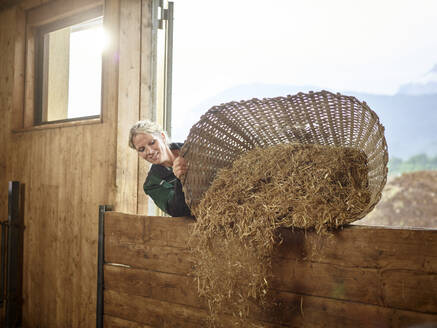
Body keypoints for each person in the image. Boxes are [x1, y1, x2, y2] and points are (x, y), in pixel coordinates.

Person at [128, 120, 191, 217]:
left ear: (163, 137)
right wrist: (180, 179)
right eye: (142, 149)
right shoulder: (152, 183)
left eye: (152, 142)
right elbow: (178, 211)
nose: (150, 151)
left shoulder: (191, 150)